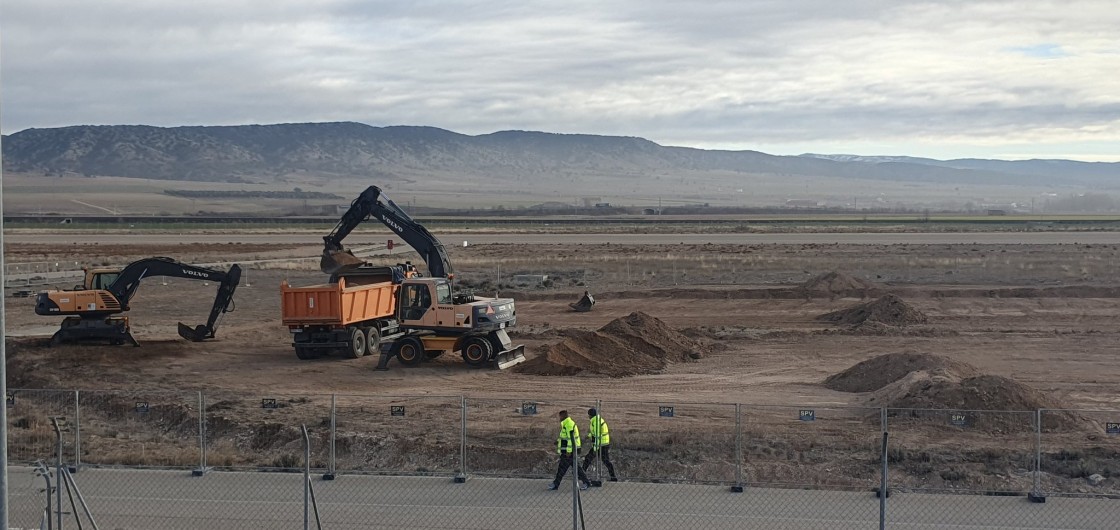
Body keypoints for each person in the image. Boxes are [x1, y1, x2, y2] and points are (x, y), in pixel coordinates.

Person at [549, 410, 592, 491]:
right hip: (570, 451)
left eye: (560, 416)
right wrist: (558, 441)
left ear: (563, 416)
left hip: (569, 451)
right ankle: (586, 482)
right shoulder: (566, 424)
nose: (559, 418)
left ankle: (556, 484)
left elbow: (570, 439)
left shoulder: (568, 424)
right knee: (575, 468)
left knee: (562, 468)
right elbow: (564, 436)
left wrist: (568, 451)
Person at [582, 408, 618, 482]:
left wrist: (595, 449)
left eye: (588, 415)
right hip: (603, 443)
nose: (588, 417)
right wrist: (589, 436)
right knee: (606, 461)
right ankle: (613, 477)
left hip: (600, 444)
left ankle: (581, 474)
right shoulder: (596, 420)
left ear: (590, 415)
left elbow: (597, 437)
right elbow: (595, 433)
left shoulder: (595, 422)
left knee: (588, 458)